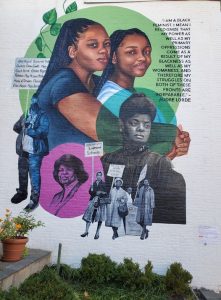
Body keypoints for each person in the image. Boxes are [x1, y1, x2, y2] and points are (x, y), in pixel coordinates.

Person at [95, 28, 190, 160]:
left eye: (146, 52)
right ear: (114, 57)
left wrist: (181, 140)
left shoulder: (135, 96)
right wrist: (172, 139)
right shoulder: (109, 97)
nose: (142, 58)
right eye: (132, 52)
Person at [101, 93, 186, 224]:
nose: (141, 129)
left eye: (146, 125)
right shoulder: (108, 160)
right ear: (122, 125)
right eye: (134, 123)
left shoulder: (159, 162)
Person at [36, 18, 110, 150]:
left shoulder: (98, 82)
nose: (103, 50)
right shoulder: (64, 83)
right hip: (65, 167)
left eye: (107, 44)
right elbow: (110, 132)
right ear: (72, 51)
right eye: (93, 45)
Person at [24, 100, 49, 211]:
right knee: (25, 174)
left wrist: (30, 131)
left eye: (32, 103)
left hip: (35, 150)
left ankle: (34, 199)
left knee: (34, 175)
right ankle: (25, 194)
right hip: (25, 150)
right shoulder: (27, 114)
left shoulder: (43, 115)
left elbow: (43, 131)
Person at [81, 171, 108, 239]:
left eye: (100, 175)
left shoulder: (104, 184)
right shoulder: (93, 183)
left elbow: (106, 193)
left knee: (100, 218)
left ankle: (97, 233)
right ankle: (86, 231)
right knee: (89, 216)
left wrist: (101, 192)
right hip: (93, 201)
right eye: (98, 175)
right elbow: (90, 192)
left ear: (101, 176)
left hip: (100, 202)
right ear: (96, 176)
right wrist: (93, 190)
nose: (99, 176)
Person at [11, 114, 29, 204]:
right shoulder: (25, 115)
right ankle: (22, 192)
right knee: (22, 173)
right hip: (22, 151)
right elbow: (16, 127)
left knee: (36, 175)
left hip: (36, 151)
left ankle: (36, 197)